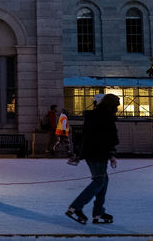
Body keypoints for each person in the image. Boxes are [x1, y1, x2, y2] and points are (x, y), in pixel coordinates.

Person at [65, 93, 120, 225]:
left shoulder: (92, 116)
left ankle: (98, 212)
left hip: (90, 154)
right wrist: (112, 154)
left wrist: (78, 154)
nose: (118, 108)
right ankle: (76, 207)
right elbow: (110, 138)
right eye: (117, 105)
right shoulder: (107, 117)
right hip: (99, 154)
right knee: (99, 180)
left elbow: (85, 136)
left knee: (103, 180)